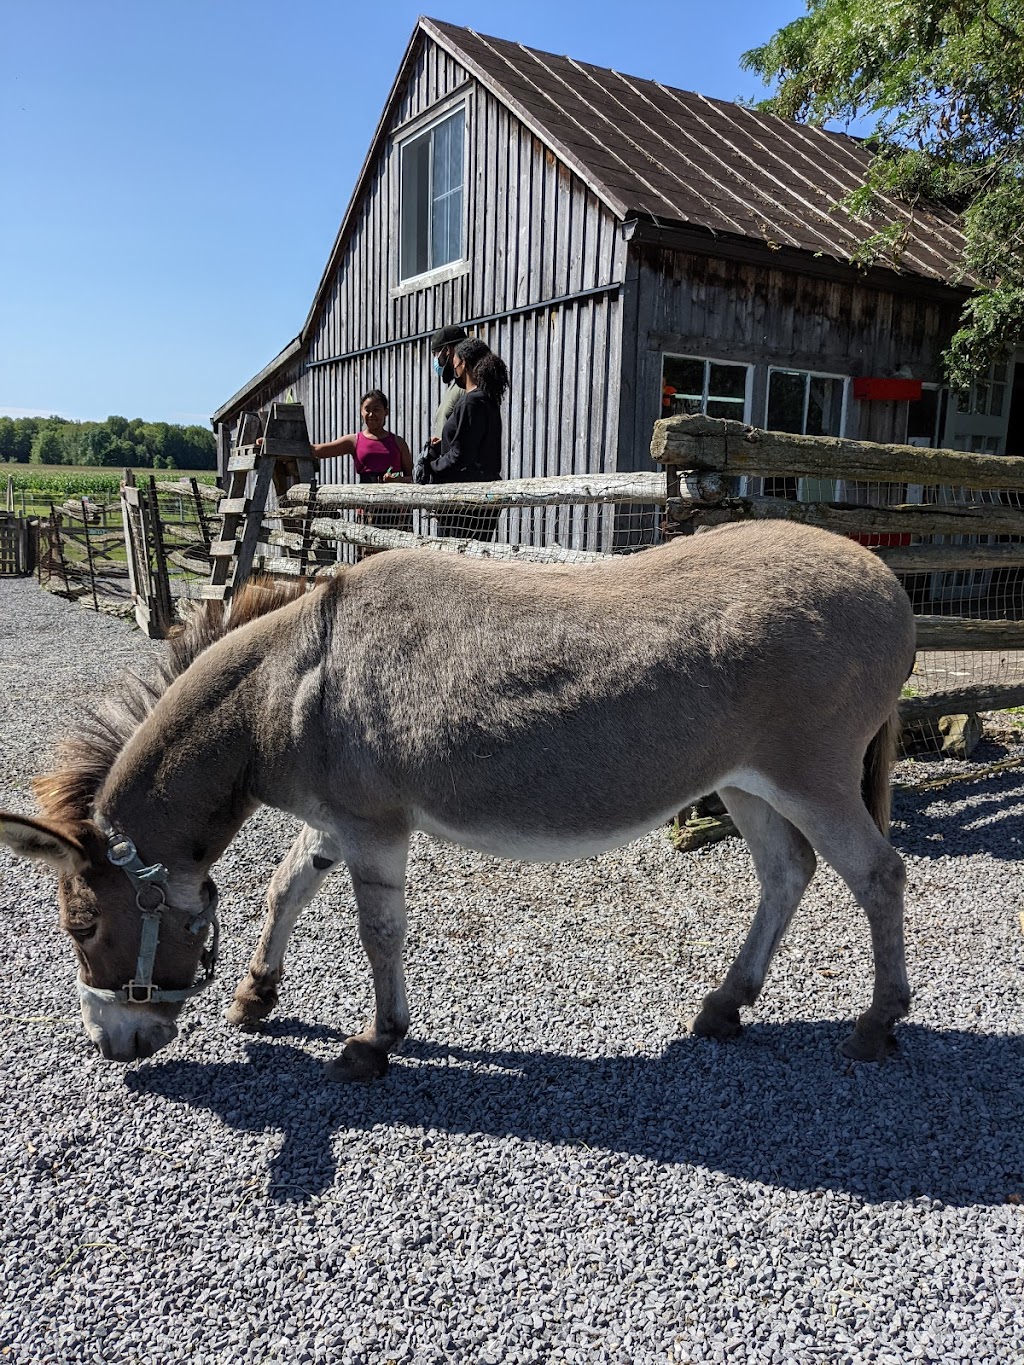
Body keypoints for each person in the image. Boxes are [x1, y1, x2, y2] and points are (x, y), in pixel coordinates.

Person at [422, 337, 509, 541]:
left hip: (465, 502)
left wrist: (432, 465)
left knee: (456, 559)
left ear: (465, 364)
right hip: (483, 496)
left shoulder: (470, 402)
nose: (455, 371)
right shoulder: (488, 400)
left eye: (456, 365)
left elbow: (460, 455)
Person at [312, 389, 413, 541]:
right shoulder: (354, 441)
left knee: (398, 559)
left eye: (377, 410)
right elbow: (318, 450)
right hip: (367, 510)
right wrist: (276, 443)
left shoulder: (398, 443)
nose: (371, 414)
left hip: (397, 512)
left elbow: (410, 477)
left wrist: (396, 479)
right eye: (367, 410)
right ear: (361, 412)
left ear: (386, 412)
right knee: (368, 557)